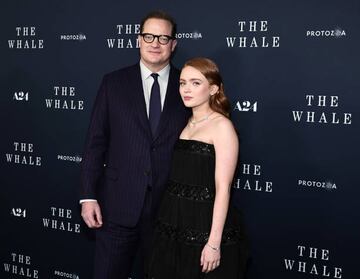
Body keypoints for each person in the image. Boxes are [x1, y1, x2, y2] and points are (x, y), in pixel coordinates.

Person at [79, 10, 189, 279]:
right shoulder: (113, 83)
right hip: (116, 207)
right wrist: (88, 195)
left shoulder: (188, 86)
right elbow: (95, 142)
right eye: (149, 36)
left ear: (174, 44)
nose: (155, 43)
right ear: (138, 40)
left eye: (163, 37)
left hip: (168, 213)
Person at [148, 57, 248, 278]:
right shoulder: (184, 122)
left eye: (195, 83)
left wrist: (213, 243)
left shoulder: (222, 127)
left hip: (204, 225)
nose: (186, 89)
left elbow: (223, 188)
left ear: (213, 88)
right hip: (173, 221)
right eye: (183, 83)